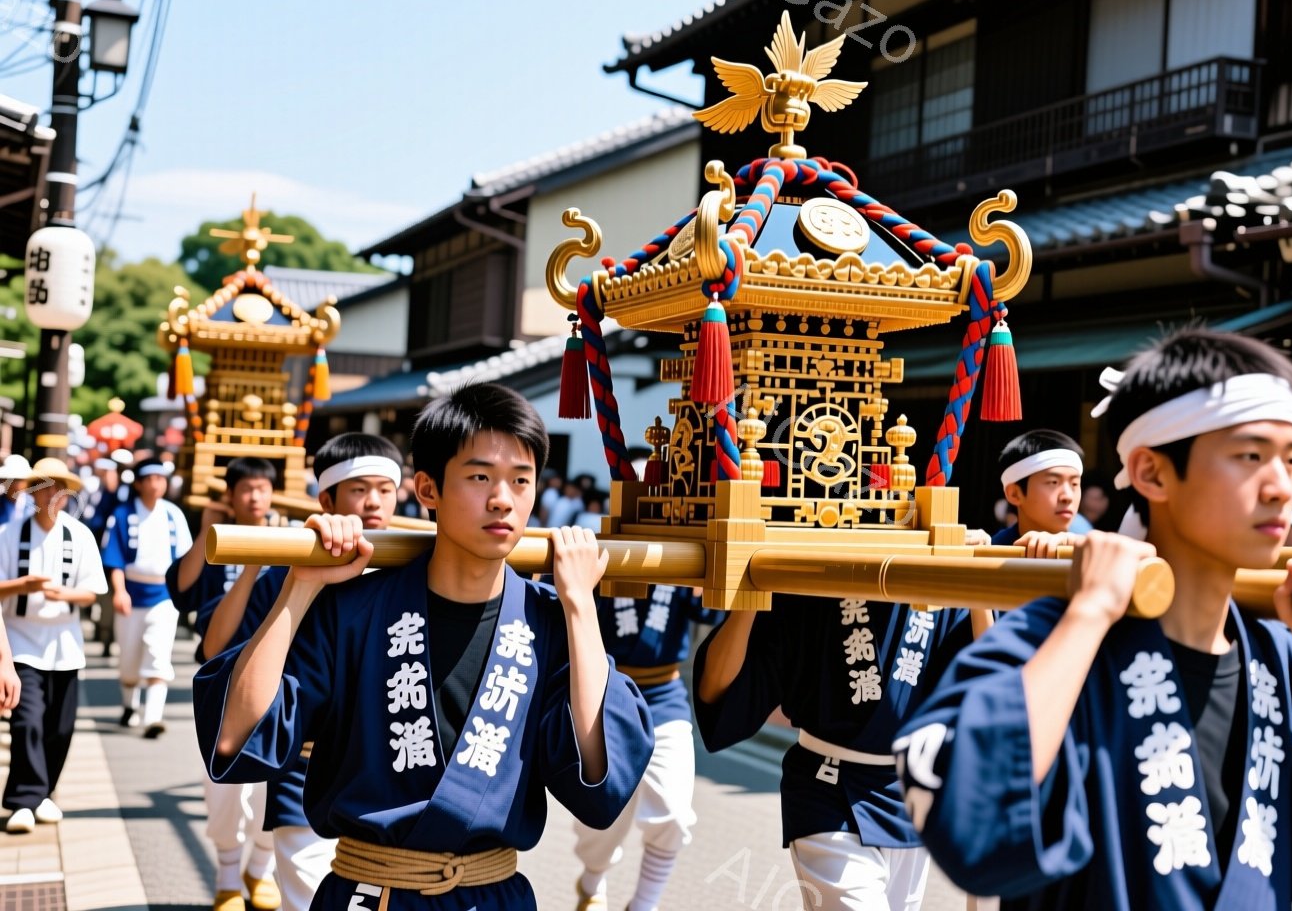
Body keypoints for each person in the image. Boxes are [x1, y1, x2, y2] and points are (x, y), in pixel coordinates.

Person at [894, 328, 1292, 908]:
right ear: (1152, 472)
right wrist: (1090, 611)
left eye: (1291, 460)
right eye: (1250, 456)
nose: (1280, 489)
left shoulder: (1283, 661)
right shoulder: (1055, 636)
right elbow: (971, 821)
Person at [195, 381, 653, 909]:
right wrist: (302, 584)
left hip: (492, 896)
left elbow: (598, 777)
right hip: (370, 891)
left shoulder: (548, 620)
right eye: (480, 476)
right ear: (428, 489)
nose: (502, 498)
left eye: (520, 480)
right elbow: (236, 737)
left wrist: (580, 606)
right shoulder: (352, 609)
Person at [200, 434, 402, 911]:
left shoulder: (420, 573)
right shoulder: (286, 572)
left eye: (385, 489)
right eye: (358, 489)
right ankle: (233, 873)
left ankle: (253, 869)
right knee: (310, 896)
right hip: (307, 767)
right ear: (326, 499)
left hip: (389, 774)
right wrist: (288, 576)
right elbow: (220, 651)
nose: (373, 501)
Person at [695, 571, 976, 904]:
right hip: (828, 787)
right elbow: (720, 694)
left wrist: (978, 583)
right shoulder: (813, 568)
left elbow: (991, 680)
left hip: (907, 795)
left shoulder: (942, 569)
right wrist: (751, 584)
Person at [169, 457, 279, 911]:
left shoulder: (291, 535)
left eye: (262, 488)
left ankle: (261, 870)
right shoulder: (219, 541)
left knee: (280, 786)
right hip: (224, 678)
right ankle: (229, 877)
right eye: (246, 488)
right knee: (226, 787)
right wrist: (206, 531)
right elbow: (183, 589)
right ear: (231, 494)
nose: (255, 497)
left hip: (280, 677)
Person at [573, 584, 721, 911]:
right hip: (605, 692)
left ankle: (644, 903)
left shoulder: (680, 545)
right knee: (602, 808)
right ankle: (593, 880)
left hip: (664, 696)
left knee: (675, 812)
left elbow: (713, 613)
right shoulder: (602, 541)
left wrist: (706, 587)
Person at [0, 459, 109, 834]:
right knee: (27, 720)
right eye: (43, 487)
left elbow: (94, 590)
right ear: (32, 493)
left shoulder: (79, 535)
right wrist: (23, 586)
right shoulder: (9, 534)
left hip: (65, 643)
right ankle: (24, 800)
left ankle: (43, 793)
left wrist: (63, 592)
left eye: (57, 488)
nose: (50, 495)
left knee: (60, 727)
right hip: (20, 639)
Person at [101, 460, 192, 738]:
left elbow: (185, 558)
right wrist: (119, 591)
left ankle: (153, 716)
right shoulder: (122, 514)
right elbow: (114, 559)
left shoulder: (174, 514)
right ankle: (130, 705)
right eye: (149, 478)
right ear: (139, 483)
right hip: (131, 593)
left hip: (164, 595)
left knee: (158, 653)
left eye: (160, 478)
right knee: (128, 657)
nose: (156, 483)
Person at [989, 430, 1084, 547]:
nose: (1068, 497)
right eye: (1053, 482)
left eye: (1074, 484)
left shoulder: (1090, 552)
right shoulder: (991, 552)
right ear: (1014, 493)